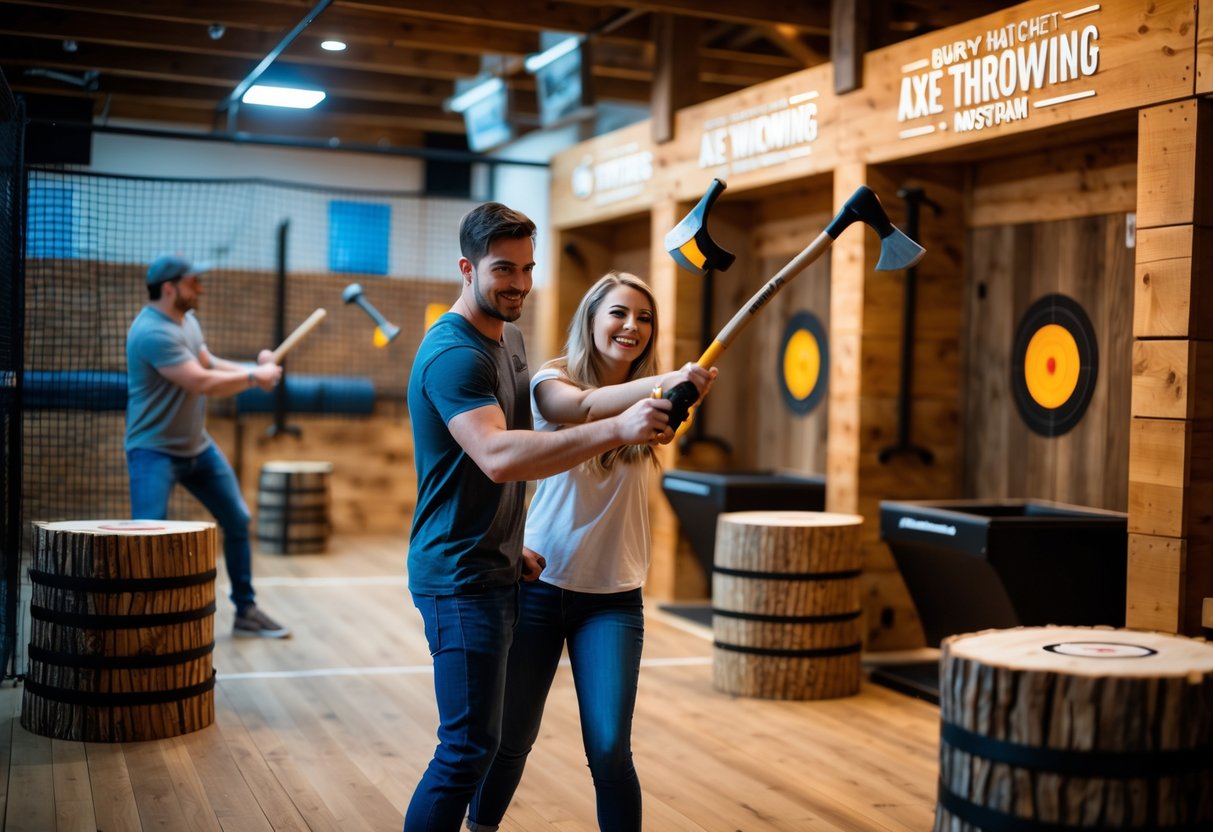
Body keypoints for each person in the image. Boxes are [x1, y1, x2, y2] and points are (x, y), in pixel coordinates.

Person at [404, 204, 707, 832]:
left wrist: (513, 547)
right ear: (467, 268)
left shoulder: (507, 340)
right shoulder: (458, 356)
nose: (518, 282)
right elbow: (498, 454)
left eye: (527, 268)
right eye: (502, 270)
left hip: (515, 569)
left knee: (511, 748)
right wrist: (624, 421)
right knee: (470, 751)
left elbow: (584, 412)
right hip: (460, 575)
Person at [466, 272, 714, 832]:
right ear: (591, 319)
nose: (632, 326)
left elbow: (648, 422)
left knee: (609, 750)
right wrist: (670, 382)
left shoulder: (656, 396)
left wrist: (670, 400)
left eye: (644, 318)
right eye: (619, 313)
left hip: (613, 598)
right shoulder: (550, 381)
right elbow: (584, 406)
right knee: (510, 742)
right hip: (538, 587)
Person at [125, 253, 290, 639]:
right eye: (193, 281)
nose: (200, 287)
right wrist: (256, 377)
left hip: (196, 447)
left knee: (237, 519)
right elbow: (201, 382)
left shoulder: (187, 321)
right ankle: (142, 626)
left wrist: (253, 368)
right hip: (153, 451)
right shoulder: (152, 332)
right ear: (170, 288)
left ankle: (246, 611)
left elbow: (208, 361)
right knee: (146, 538)